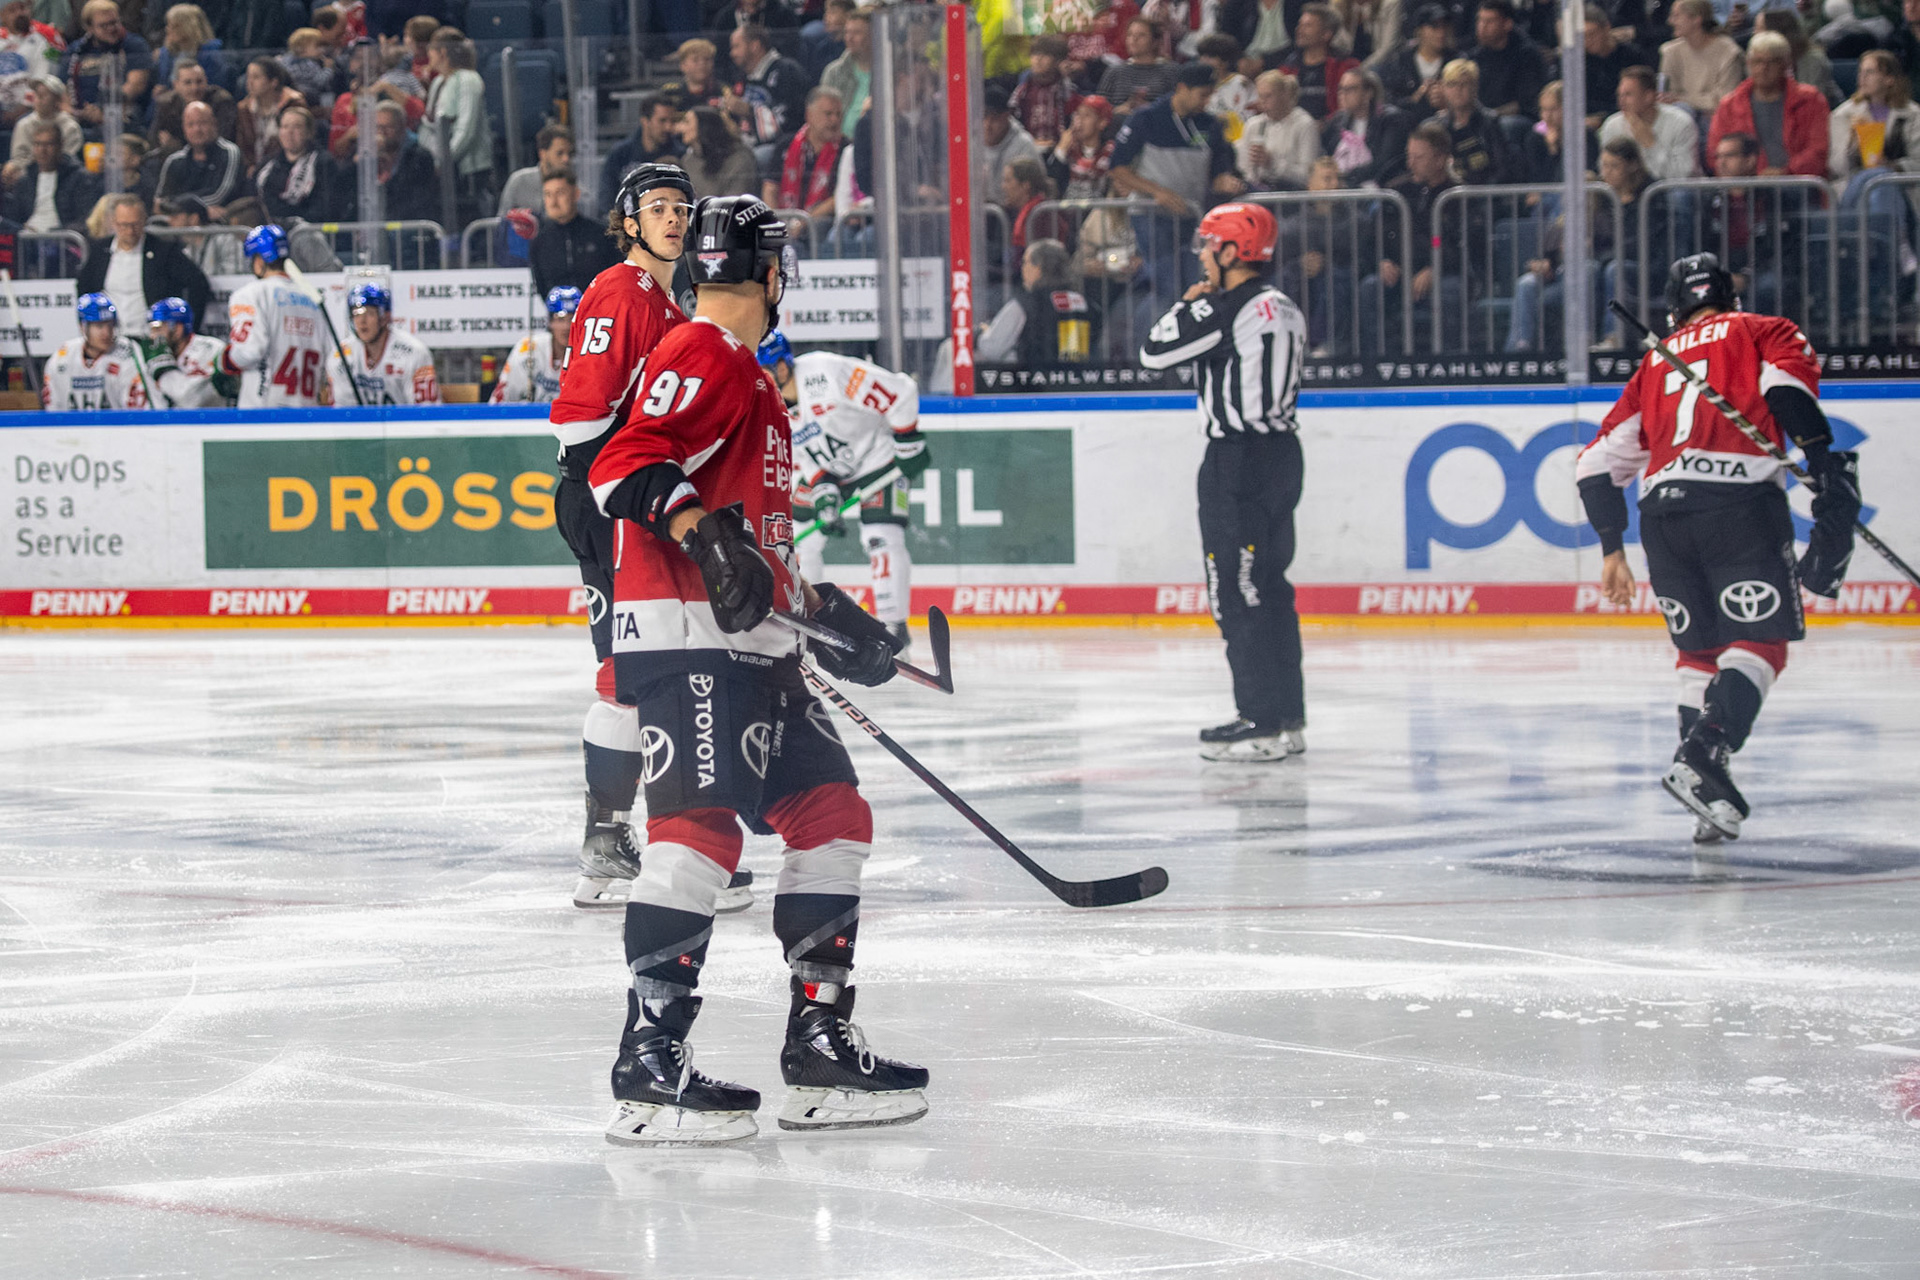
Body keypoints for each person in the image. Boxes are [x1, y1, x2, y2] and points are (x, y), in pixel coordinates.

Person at [585, 192, 927, 1145]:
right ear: (771, 275)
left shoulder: (752, 378)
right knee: (697, 837)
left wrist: (826, 616)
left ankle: (819, 1042)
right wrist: (699, 531)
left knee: (831, 816)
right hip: (689, 638)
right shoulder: (700, 351)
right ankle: (649, 1062)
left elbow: (756, 543)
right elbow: (622, 465)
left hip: (757, 645)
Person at [1577, 253, 1859, 841]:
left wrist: (1611, 548)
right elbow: (1786, 394)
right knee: (1761, 641)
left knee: (1700, 654)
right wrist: (1821, 460)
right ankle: (1705, 753)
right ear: (1730, 297)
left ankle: (1703, 789)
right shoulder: (1763, 329)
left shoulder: (1654, 361)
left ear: (1675, 308)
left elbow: (1595, 466)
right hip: (1738, 506)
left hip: (1662, 517)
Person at [546, 162, 749, 915]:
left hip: (622, 500)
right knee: (641, 672)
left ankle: (623, 847)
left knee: (639, 671)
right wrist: (633, 495)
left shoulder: (664, 301)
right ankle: (657, 848)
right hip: (610, 501)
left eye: (682, 207)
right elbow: (580, 419)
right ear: (629, 221)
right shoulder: (621, 290)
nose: (672, 218)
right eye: (656, 207)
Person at [1138, 202, 1310, 762]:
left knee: (1235, 591)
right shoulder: (1283, 305)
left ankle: (1257, 719)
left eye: (1210, 246)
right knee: (1272, 585)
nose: (1203, 258)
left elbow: (1153, 353)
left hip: (1237, 462)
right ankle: (1286, 717)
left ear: (1232, 251)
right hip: (1282, 455)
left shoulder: (1227, 306)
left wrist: (1188, 304)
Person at [759, 328, 932, 648]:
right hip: (826, 472)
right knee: (797, 543)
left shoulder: (828, 374)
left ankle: (895, 629)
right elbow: (799, 462)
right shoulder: (764, 405)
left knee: (881, 537)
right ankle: (807, 624)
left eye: (770, 369)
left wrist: (907, 439)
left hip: (876, 460)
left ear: (785, 363)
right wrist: (823, 490)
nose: (766, 378)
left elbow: (901, 390)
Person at [1110, 62, 1247, 313]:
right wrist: (1157, 192)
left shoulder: (1210, 125)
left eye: (1210, 95)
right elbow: (1118, 167)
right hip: (1150, 215)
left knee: (1194, 283)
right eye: (1202, 94)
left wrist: (1225, 182)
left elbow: (1218, 172)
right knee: (1167, 286)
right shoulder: (1146, 118)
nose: (1207, 101)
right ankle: (1157, 343)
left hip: (1191, 215)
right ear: (1182, 88)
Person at [218, 223, 328, 407]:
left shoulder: (251, 294)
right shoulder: (313, 300)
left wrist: (220, 361)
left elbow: (249, 352)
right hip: (307, 412)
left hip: (264, 413)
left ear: (259, 260)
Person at [1708, 30, 1829, 177]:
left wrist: (1784, 172)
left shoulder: (1811, 100)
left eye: (1772, 62)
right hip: (1745, 187)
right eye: (1757, 62)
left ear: (1786, 65)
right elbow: (1715, 153)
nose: (1763, 69)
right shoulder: (1729, 105)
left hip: (1797, 183)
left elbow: (1818, 151)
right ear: (1749, 64)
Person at [76, 192, 208, 325]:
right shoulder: (100, 251)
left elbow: (198, 284)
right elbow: (84, 289)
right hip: (110, 338)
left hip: (151, 337)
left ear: (144, 220)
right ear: (114, 223)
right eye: (124, 225)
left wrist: (189, 326)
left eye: (135, 224)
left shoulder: (163, 251)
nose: (130, 231)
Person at [976, 236, 1104, 365]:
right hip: (1077, 379)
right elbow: (1078, 355)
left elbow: (992, 349)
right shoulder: (1087, 305)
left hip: (1034, 381)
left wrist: (983, 334)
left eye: (1025, 262)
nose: (1022, 269)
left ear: (1038, 268)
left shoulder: (1024, 304)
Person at [1828, 49, 1920, 212]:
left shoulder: (1913, 115)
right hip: (1854, 189)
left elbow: (1917, 160)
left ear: (1889, 79)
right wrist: (1853, 142)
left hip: (1903, 190)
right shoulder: (1843, 115)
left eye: (1870, 72)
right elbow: (1836, 166)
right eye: (1861, 72)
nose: (1862, 77)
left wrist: (1893, 167)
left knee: (1883, 180)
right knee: (1878, 178)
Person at [322, 281, 438, 406]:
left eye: (369, 313)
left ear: (385, 317)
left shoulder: (414, 353)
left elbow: (425, 412)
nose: (362, 321)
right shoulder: (340, 356)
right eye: (356, 314)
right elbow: (343, 413)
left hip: (403, 424)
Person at [41, 290, 156, 409]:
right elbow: (53, 406)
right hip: (71, 427)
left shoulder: (127, 352)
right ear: (82, 327)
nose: (106, 332)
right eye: (99, 326)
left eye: (110, 325)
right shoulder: (63, 356)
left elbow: (136, 408)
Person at [422, 26, 490, 225]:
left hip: (467, 168)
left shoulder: (468, 80)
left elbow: (466, 128)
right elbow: (430, 123)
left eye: (431, 51)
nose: (428, 56)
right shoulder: (438, 83)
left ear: (442, 52)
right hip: (439, 165)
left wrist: (445, 160)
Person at [723, 24, 808, 172]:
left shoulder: (786, 71)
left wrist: (749, 111)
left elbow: (790, 120)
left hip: (781, 146)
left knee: (749, 161)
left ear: (755, 46)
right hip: (748, 143)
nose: (732, 53)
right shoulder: (743, 76)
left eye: (737, 47)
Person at [65, 0, 153, 136]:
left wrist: (102, 110)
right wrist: (76, 112)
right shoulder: (76, 51)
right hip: (79, 117)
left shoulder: (134, 45)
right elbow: (60, 88)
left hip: (122, 115)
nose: (111, 29)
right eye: (103, 25)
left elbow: (136, 85)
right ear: (89, 28)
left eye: (114, 22)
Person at [529, 165, 618, 298]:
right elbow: (542, 288)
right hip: (559, 317)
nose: (553, 202)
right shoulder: (539, 243)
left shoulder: (602, 235)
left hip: (599, 312)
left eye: (560, 193)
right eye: (548, 194)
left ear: (575, 194)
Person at [1602, 64, 1700, 180]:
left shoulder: (1681, 123)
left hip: (1669, 188)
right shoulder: (1612, 125)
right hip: (1627, 188)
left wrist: (1651, 145)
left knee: (1679, 195)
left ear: (1648, 96)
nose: (1621, 101)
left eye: (1628, 95)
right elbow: (1605, 170)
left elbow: (1682, 174)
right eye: (1620, 95)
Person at [1, 115, 96, 230]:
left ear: (60, 146)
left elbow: (85, 219)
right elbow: (14, 217)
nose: (42, 150)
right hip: (28, 239)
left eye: (48, 144)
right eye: (37, 144)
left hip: (64, 240)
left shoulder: (79, 178)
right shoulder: (25, 181)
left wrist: (56, 232)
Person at [255, 104, 342, 224]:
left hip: (308, 229)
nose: (289, 132)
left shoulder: (324, 163)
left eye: (297, 127)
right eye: (285, 127)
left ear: (309, 132)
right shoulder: (266, 165)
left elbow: (325, 206)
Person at [491, 284, 578, 404]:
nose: (567, 327)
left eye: (572, 319)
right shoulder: (528, 348)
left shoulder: (592, 352)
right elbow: (502, 398)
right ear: (550, 322)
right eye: (560, 319)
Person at [1436, 57, 1517, 182]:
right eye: (1452, 84)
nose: (1458, 90)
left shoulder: (1491, 123)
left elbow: (1502, 169)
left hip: (1485, 194)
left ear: (1475, 87)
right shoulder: (1438, 127)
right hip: (1451, 196)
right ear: (1444, 88)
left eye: (1464, 84)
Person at [772, 86, 841, 234]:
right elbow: (770, 188)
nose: (835, 120)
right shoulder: (786, 145)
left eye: (838, 114)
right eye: (828, 114)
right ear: (809, 115)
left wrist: (803, 222)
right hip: (784, 220)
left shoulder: (845, 149)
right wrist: (773, 223)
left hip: (821, 222)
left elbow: (838, 198)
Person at [1658, 0, 1744, 118]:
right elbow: (1667, 97)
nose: (1670, 21)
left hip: (1718, 118)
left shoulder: (1729, 52)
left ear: (1696, 19)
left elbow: (1725, 99)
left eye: (1676, 16)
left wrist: (1683, 99)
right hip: (1682, 117)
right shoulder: (1670, 51)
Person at [1239, 68, 1323, 188]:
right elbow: (1244, 170)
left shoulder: (1305, 124)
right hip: (1257, 193)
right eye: (1260, 96)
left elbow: (1308, 175)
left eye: (1268, 96)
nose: (1263, 102)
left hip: (1293, 196)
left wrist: (1272, 163)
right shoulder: (1253, 125)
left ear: (1284, 94)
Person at [145, 293, 229, 406]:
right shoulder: (151, 354)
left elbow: (192, 400)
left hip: (211, 422)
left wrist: (163, 372)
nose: (153, 336)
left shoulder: (211, 350)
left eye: (158, 329)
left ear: (178, 330)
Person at [154, 98, 241, 209]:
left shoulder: (229, 153)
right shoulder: (174, 161)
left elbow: (219, 196)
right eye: (190, 125)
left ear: (214, 124)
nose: (197, 130)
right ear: (184, 129)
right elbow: (160, 201)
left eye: (202, 123)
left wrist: (177, 206)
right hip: (177, 221)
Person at [1467, 0, 1547, 119]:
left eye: (1489, 21)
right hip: (1484, 118)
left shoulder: (1527, 55)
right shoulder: (1476, 56)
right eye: (1480, 20)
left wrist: (1492, 116)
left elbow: (1525, 102)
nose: (1482, 27)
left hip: (1519, 120)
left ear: (1507, 24)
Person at [1281, 3, 1360, 119]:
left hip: (1331, 130)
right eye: (1300, 24)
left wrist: (1327, 124)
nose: (1299, 30)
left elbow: (1350, 108)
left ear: (1326, 34)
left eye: (1308, 26)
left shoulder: (1345, 66)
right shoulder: (1288, 66)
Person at [602, 93, 685, 200]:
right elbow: (606, 198)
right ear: (645, 121)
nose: (668, 127)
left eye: (672, 121)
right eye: (662, 121)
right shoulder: (620, 154)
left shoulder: (681, 155)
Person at [1376, 2, 1454, 115]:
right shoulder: (1400, 62)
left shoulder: (1455, 60)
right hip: (1407, 125)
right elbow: (1389, 101)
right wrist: (1414, 99)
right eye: (1434, 27)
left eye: (1444, 26)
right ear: (1420, 30)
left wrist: (1447, 100)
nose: (1441, 33)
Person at [369, 99, 437, 226]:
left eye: (387, 127)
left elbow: (412, 198)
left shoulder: (420, 157)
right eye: (377, 127)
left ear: (401, 128)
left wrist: (389, 167)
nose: (381, 133)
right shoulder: (368, 156)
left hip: (407, 225)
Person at [235, 55, 305, 176]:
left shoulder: (293, 105)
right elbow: (242, 145)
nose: (249, 82)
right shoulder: (244, 108)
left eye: (256, 77)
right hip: (251, 171)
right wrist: (250, 166)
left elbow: (297, 143)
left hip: (286, 170)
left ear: (273, 82)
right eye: (248, 77)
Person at [0, 0, 65, 129]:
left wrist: (22, 109)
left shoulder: (48, 35)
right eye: (12, 10)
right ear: (2, 16)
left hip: (34, 110)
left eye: (23, 8)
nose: (20, 13)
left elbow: (46, 80)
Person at [150, 59, 235, 155]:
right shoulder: (166, 104)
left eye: (199, 82)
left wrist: (178, 146)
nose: (194, 88)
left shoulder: (221, 101)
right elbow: (155, 139)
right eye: (188, 83)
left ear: (206, 81)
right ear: (176, 85)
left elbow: (224, 138)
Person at [1012, 31, 1082, 148]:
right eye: (1034, 54)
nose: (1038, 59)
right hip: (1029, 147)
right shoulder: (1023, 90)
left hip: (1062, 147)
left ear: (1057, 61)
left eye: (1045, 55)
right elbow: (1013, 122)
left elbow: (1074, 121)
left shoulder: (1066, 89)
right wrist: (1030, 142)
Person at [1097, 16, 1177, 116]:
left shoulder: (1170, 70)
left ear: (1155, 42)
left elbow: (1177, 107)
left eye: (1141, 35)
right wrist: (1118, 110)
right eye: (1130, 35)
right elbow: (1098, 108)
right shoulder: (1114, 71)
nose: (1134, 39)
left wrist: (1150, 108)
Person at [676, 104, 758, 200]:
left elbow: (736, 201)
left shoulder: (739, 159)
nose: (680, 128)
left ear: (704, 126)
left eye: (686, 122)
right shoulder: (687, 161)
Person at [1582, 4, 1644, 126]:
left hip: (1625, 117)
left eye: (1592, 34)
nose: (1587, 41)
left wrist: (1603, 119)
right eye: (1583, 36)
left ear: (1606, 28)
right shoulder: (1579, 62)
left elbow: (1638, 97)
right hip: (1586, 119)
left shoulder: (1632, 56)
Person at [498, 123, 573, 220]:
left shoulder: (575, 189)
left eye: (569, 153)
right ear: (542, 154)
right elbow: (501, 224)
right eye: (560, 153)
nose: (566, 159)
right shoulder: (519, 181)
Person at [819, 5, 871, 137]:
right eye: (847, 32)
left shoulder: (888, 71)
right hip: (839, 144)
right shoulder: (833, 72)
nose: (849, 38)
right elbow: (823, 114)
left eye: (857, 33)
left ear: (872, 35)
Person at [8, 77, 79, 172]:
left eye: (44, 95)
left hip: (61, 176)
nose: (39, 99)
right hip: (28, 174)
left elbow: (68, 160)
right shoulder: (23, 124)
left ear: (57, 99)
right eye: (37, 94)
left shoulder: (70, 127)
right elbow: (19, 157)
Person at [153, 3, 225, 93]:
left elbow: (214, 87)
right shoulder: (165, 54)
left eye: (175, 26)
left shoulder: (210, 54)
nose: (168, 29)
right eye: (168, 25)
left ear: (189, 27)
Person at [662, 38, 724, 114]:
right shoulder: (670, 93)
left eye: (707, 59)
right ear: (683, 65)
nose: (702, 64)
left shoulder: (723, 91)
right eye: (695, 60)